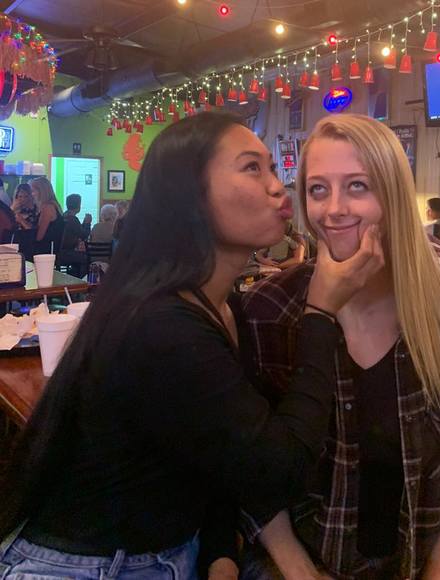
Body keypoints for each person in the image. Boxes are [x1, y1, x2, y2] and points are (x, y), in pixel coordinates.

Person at [0, 112, 384, 580]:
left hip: (170, 551)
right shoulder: (161, 324)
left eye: (272, 167)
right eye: (252, 168)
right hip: (84, 566)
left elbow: (221, 453)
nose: (278, 187)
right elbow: (278, 470)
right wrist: (321, 313)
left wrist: (219, 553)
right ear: (190, 198)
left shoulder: (223, 307)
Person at [241, 114, 440, 580]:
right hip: (301, 562)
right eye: (318, 189)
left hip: (425, 560)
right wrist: (299, 570)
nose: (333, 209)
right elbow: (247, 470)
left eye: (357, 186)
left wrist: (437, 574)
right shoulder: (268, 311)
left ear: (394, 196)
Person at [60, 193, 92, 277]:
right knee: (85, 258)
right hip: (67, 253)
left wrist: (84, 223)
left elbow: (77, 231)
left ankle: (73, 274)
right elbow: (83, 235)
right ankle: (80, 280)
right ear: (78, 206)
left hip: (60, 251)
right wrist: (87, 223)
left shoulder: (64, 216)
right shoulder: (73, 219)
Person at [30, 176, 65, 255]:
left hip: (47, 250)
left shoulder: (48, 208)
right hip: (48, 248)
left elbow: (39, 236)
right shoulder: (52, 205)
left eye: (33, 191)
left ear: (41, 191)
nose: (32, 194)